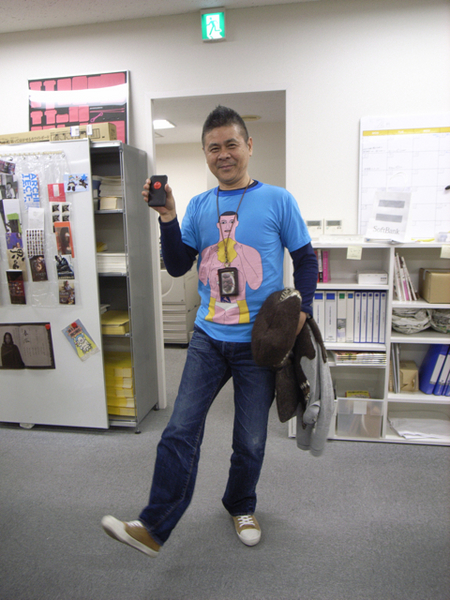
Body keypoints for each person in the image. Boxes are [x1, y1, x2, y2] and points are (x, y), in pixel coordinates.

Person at [101, 106, 318, 557]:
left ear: (248, 146)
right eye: (214, 147)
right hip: (207, 338)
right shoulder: (200, 206)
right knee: (179, 430)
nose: (224, 154)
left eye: (231, 144)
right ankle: (153, 526)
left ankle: (241, 505)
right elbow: (179, 264)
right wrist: (168, 217)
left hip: (258, 343)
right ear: (205, 154)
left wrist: (302, 311)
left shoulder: (278, 200)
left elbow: (306, 259)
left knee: (250, 441)